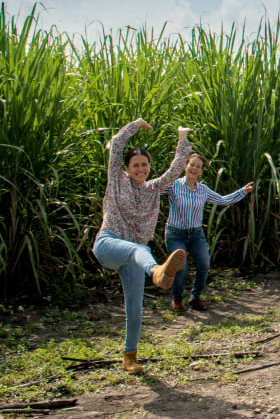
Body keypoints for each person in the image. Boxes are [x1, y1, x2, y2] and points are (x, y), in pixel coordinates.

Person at [91, 119, 192, 374]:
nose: (140, 168)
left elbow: (176, 169)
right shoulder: (116, 178)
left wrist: (182, 139)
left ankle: (130, 356)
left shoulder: (153, 188)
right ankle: (157, 272)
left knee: (135, 308)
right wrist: (135, 125)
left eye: (144, 164)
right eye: (135, 165)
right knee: (141, 250)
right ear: (126, 167)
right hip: (109, 243)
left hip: (135, 258)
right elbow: (116, 144)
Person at [161, 153, 254, 312]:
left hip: (196, 234)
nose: (194, 168)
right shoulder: (173, 185)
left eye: (198, 166)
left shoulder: (203, 190)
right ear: (185, 166)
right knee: (181, 268)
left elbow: (223, 200)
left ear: (201, 171)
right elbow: (153, 190)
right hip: (175, 234)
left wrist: (243, 192)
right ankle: (177, 300)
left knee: (204, 265)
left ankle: (195, 298)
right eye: (192, 165)